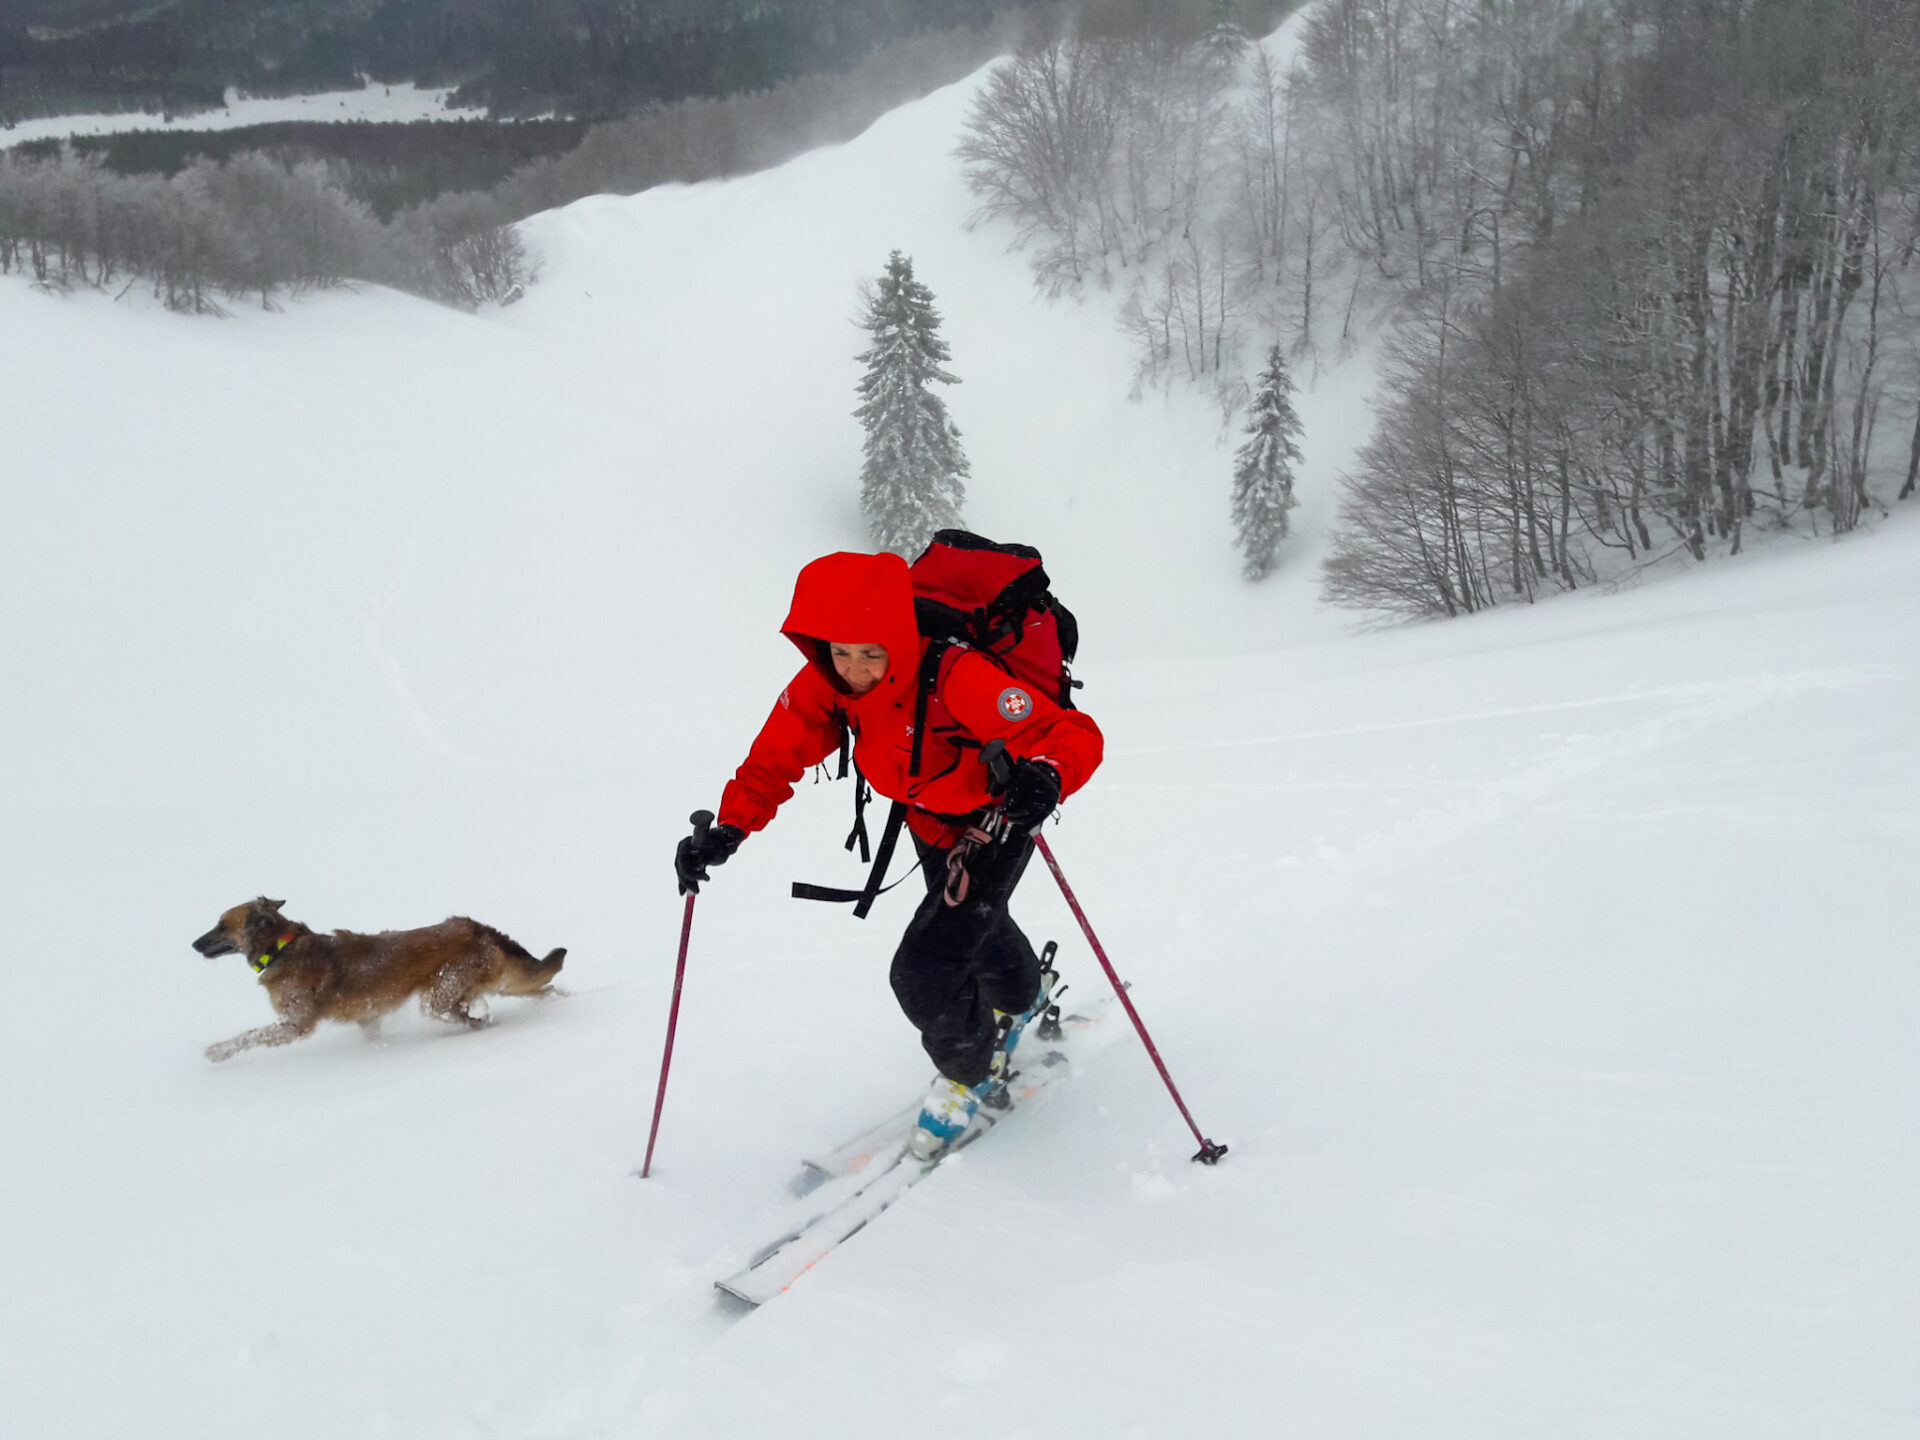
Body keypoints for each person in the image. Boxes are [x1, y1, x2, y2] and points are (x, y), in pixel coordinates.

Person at [674, 549, 1104, 1159]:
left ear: (898, 639)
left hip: (995, 819)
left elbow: (1068, 734)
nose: (854, 670)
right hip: (929, 817)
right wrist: (729, 829)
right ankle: (1023, 996)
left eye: (871, 652)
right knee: (973, 929)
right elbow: (776, 755)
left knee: (924, 974)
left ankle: (971, 1073)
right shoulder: (828, 679)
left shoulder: (956, 673)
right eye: (839, 652)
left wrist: (1047, 776)